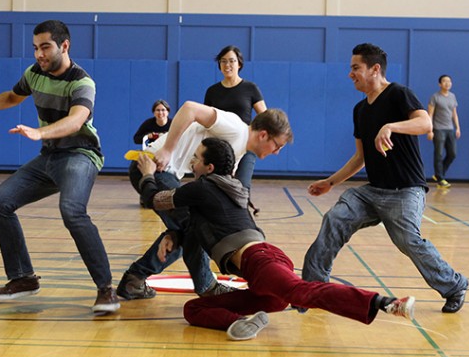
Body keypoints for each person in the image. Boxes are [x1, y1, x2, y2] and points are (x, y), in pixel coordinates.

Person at [136, 138, 414, 340]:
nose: (192, 161)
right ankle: (240, 323)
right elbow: (198, 225)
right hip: (265, 276)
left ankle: (384, 303)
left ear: (208, 167)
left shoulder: (201, 188)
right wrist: (174, 235)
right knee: (193, 308)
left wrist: (148, 175)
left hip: (260, 262)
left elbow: (154, 200)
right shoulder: (227, 189)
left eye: (196, 157)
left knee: (306, 292)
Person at [0, 19, 120, 315]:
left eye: (45, 47)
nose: (39, 54)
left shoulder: (82, 82)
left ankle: (106, 289)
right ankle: (23, 278)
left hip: (80, 154)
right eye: (35, 48)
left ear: (64, 46)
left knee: (72, 211)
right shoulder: (34, 74)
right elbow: (13, 96)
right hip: (49, 157)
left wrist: (40, 132)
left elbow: (77, 119)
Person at [302, 43, 469, 314]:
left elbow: (426, 123)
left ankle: (454, 285)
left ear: (375, 69)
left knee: (407, 241)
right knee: (334, 219)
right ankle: (311, 290)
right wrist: (330, 182)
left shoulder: (399, 94)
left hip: (405, 191)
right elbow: (360, 158)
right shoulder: (360, 110)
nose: (350, 74)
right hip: (372, 192)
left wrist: (390, 126)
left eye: (356, 68)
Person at [117, 101, 292, 301]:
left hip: (165, 173)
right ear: (263, 135)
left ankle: (135, 279)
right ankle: (206, 286)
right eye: (278, 145)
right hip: (152, 166)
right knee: (195, 229)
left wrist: (175, 231)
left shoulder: (236, 151)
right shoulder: (236, 130)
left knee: (189, 231)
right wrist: (167, 149)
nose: (277, 152)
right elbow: (190, 108)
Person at [204, 45, 267, 187]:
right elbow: (206, 119)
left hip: (245, 145)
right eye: (223, 61)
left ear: (239, 64)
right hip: (219, 147)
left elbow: (265, 116)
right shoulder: (212, 91)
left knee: (242, 186)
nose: (227, 65)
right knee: (215, 187)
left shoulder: (250, 88)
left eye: (232, 61)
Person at [427, 74, 461, 187]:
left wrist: (458, 127)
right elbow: (430, 114)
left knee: (452, 154)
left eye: (449, 81)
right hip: (438, 129)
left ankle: (439, 174)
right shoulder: (435, 97)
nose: (447, 83)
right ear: (440, 84)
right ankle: (440, 178)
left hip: (450, 129)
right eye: (445, 81)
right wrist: (430, 130)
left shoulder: (452, 96)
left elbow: (454, 114)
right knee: (439, 154)